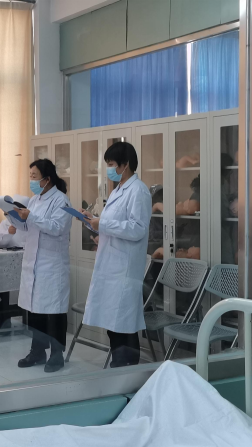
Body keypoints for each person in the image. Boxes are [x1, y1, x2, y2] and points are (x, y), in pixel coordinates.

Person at [81, 142, 151, 368]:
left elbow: (137, 229)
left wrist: (102, 224)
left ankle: (127, 370)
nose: (109, 169)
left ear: (125, 164)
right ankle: (118, 367)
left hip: (124, 269)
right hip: (110, 266)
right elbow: (112, 225)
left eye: (111, 164)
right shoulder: (117, 190)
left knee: (124, 324)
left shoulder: (138, 190)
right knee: (113, 324)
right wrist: (92, 221)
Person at [14, 159, 72, 373]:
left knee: (54, 311)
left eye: (34, 176)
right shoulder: (34, 200)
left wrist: (31, 216)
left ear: (47, 179)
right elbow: (27, 227)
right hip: (34, 263)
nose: (31, 180)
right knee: (35, 311)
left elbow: (56, 227)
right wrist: (14, 218)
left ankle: (57, 354)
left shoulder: (61, 200)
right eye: (30, 176)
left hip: (52, 265)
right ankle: (37, 351)